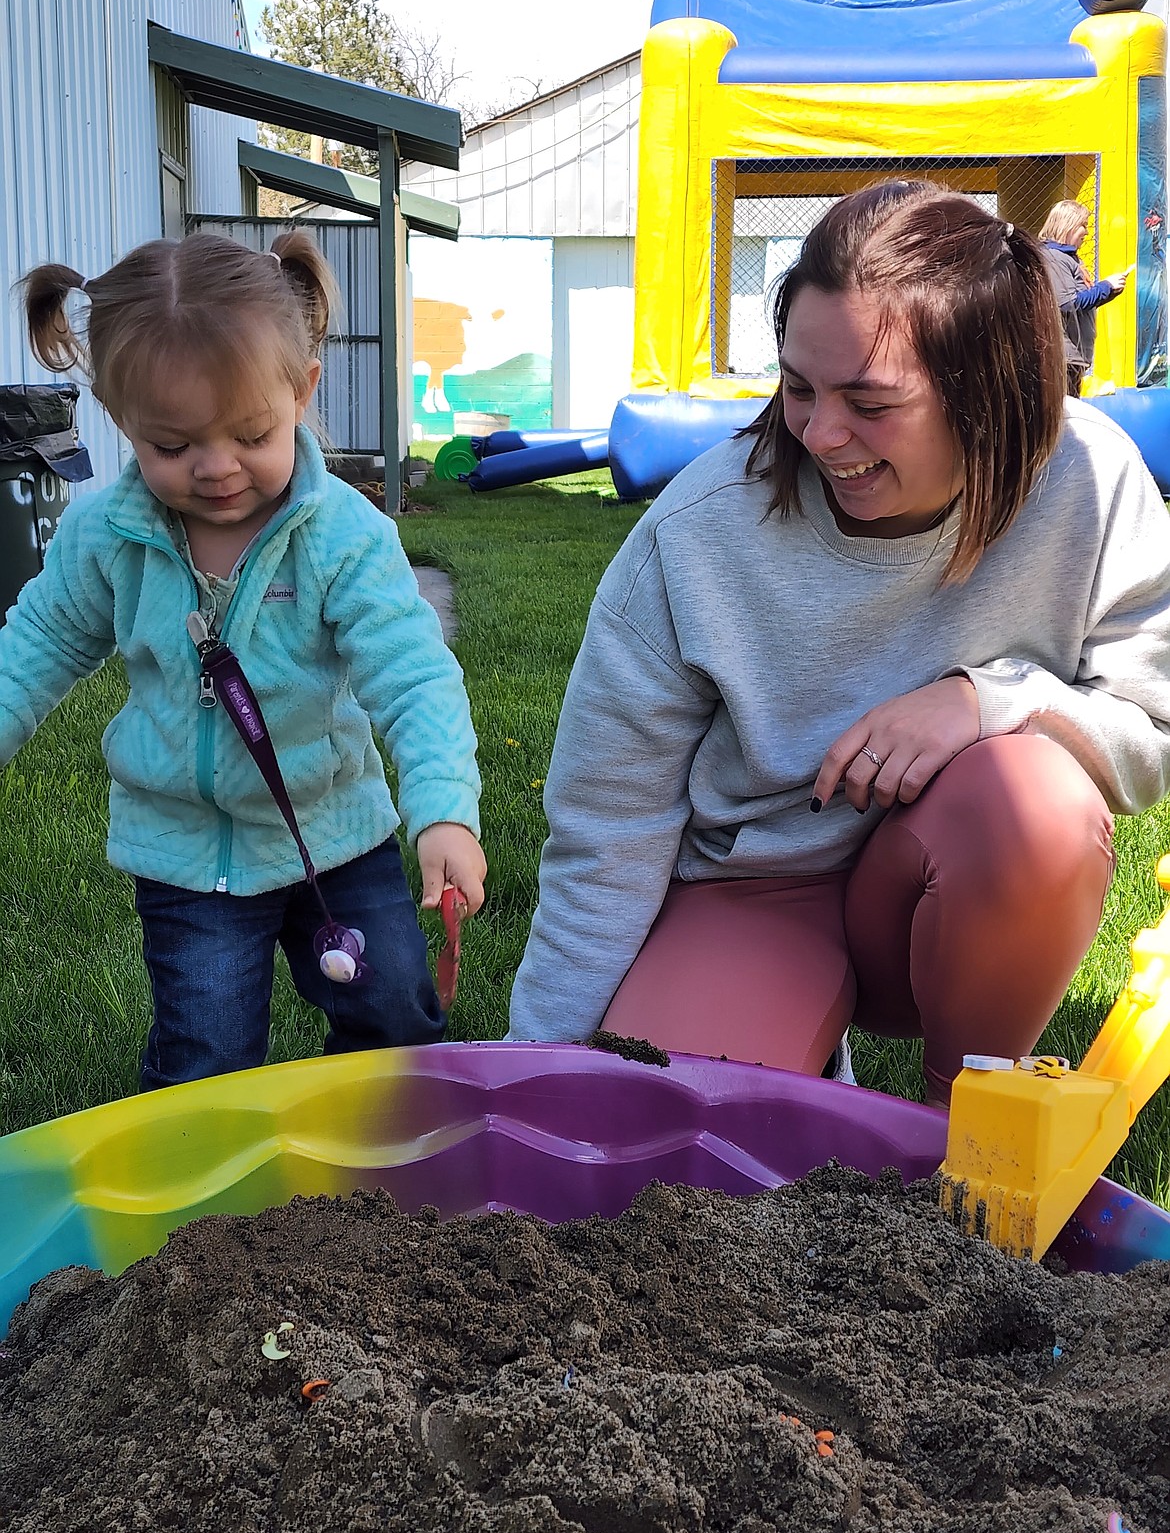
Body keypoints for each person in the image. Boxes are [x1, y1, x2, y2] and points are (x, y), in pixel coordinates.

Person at [507, 179, 1170, 1108]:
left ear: (989, 396)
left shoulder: (1094, 482)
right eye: (797, 385)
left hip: (961, 882)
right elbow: (607, 831)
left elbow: (1155, 730)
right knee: (666, 1142)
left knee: (1037, 804)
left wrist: (990, 701)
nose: (820, 433)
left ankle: (963, 1132)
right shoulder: (696, 531)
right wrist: (535, 1076)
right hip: (755, 892)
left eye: (868, 399)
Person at [13, 229, 486, 1091]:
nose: (217, 468)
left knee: (394, 1020)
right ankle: (202, 1216)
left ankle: (386, 1175)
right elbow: (36, 646)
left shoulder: (342, 536)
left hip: (337, 834)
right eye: (173, 445)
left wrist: (444, 809)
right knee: (209, 1057)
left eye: (250, 433)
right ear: (124, 424)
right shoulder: (107, 539)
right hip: (187, 854)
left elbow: (412, 677)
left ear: (301, 392)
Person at [1039, 199, 1131, 396]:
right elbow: (1067, 304)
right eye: (1083, 226)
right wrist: (1105, 287)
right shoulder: (1055, 257)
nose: (1087, 233)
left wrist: (1110, 291)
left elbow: (1082, 302)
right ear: (1068, 225)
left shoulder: (1070, 259)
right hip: (1063, 356)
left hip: (1075, 356)